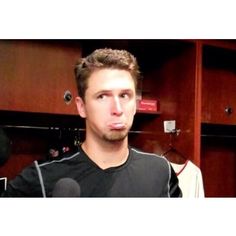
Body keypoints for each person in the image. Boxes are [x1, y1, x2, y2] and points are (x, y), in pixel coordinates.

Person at [1, 48, 182, 197]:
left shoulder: (160, 171)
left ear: (135, 105)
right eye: (102, 96)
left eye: (125, 95)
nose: (117, 109)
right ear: (82, 107)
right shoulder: (41, 178)